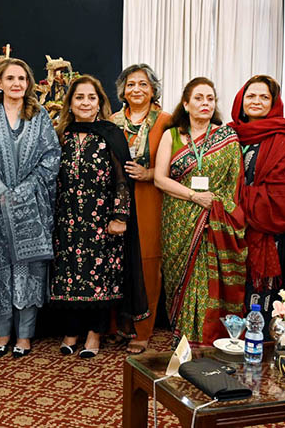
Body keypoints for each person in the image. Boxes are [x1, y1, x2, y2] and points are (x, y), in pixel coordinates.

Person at [0, 58, 61, 358]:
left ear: (29, 83)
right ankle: (2, 332)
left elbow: (51, 158)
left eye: (22, 78)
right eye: (10, 78)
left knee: (28, 270)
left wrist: (23, 191)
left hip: (31, 208)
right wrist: (1, 192)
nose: (16, 83)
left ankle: (24, 336)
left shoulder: (41, 116)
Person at [51, 75, 147, 359]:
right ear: (70, 103)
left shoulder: (111, 134)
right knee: (69, 276)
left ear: (99, 102)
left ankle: (94, 333)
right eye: (79, 97)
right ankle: (71, 332)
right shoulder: (61, 134)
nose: (85, 103)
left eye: (91, 97)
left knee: (99, 279)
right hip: (67, 219)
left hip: (102, 221)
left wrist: (120, 216)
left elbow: (122, 180)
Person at [154, 77, 247, 346]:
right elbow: (160, 179)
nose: (205, 103)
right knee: (178, 278)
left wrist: (219, 213)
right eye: (198, 98)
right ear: (186, 104)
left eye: (210, 98)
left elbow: (234, 185)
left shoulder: (227, 137)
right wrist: (196, 197)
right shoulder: (171, 135)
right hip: (178, 217)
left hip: (214, 219)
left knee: (206, 281)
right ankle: (180, 335)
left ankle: (203, 338)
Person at [110, 64, 171, 354]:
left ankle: (143, 330)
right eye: (131, 84)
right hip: (116, 201)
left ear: (153, 89)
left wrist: (149, 174)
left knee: (146, 262)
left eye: (143, 84)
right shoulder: (112, 121)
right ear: (123, 90)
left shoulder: (167, 121)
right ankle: (118, 325)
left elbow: (179, 162)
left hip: (151, 198)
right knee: (117, 260)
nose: (137, 89)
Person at [228, 76, 285, 313]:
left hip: (266, 227)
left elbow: (282, 191)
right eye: (251, 96)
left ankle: (260, 343)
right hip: (229, 226)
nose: (256, 101)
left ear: (273, 103)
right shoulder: (227, 134)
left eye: (264, 97)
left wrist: (236, 199)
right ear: (241, 100)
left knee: (261, 297)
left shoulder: (284, 135)